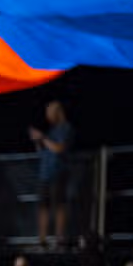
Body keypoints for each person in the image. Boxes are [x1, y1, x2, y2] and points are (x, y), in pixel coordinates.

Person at [29, 100, 75, 249]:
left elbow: (59, 148)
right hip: (45, 173)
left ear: (58, 111)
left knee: (59, 205)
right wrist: (38, 141)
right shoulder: (51, 131)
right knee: (43, 206)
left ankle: (59, 239)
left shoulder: (65, 128)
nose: (47, 116)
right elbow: (43, 152)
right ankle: (42, 239)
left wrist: (43, 138)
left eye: (50, 112)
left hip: (58, 172)